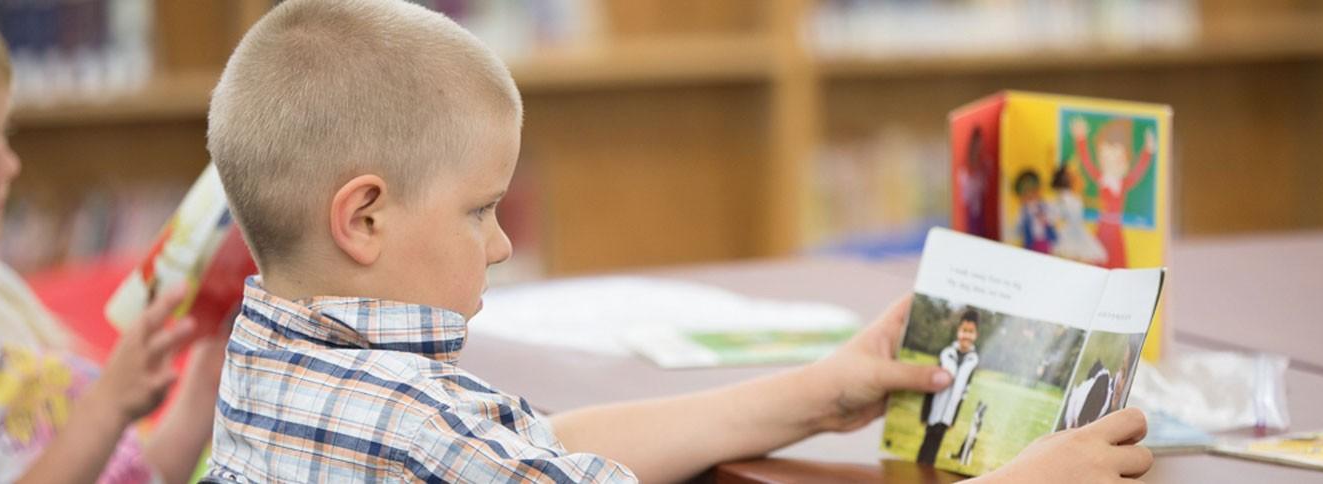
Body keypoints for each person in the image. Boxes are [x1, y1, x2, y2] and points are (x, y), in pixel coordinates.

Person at [202, 1, 1154, 482]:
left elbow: (539, 446)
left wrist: (812, 398)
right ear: (363, 218)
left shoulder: (277, 352)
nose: (497, 246)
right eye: (481, 209)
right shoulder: (418, 433)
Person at [0, 2, 227, 483]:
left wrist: (206, 377)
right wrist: (109, 402)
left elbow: (136, 475)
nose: (8, 166)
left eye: (3, 135)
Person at [1072, 116, 1155, 269]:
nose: (1110, 163)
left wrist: (1148, 151)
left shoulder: (1123, 183)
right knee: (1097, 262)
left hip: (1116, 231)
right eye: (1104, 158)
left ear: (1126, 161)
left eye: (1117, 159)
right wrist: (1080, 138)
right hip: (1102, 228)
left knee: (1116, 263)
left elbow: (1138, 172)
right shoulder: (1101, 179)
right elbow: (1087, 162)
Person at [919, 309, 981, 464]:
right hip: (935, 408)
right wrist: (925, 413)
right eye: (964, 330)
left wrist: (953, 418)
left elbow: (964, 392)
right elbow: (931, 384)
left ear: (976, 335)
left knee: (936, 443)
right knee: (927, 440)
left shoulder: (973, 360)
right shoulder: (946, 354)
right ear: (958, 331)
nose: (966, 335)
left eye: (971, 332)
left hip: (949, 412)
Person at [1049, 162, 1108, 265]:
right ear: (1067, 180)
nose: (1078, 177)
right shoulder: (1064, 199)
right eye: (1073, 175)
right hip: (1071, 234)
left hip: (1075, 233)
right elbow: (1055, 216)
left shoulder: (1073, 198)